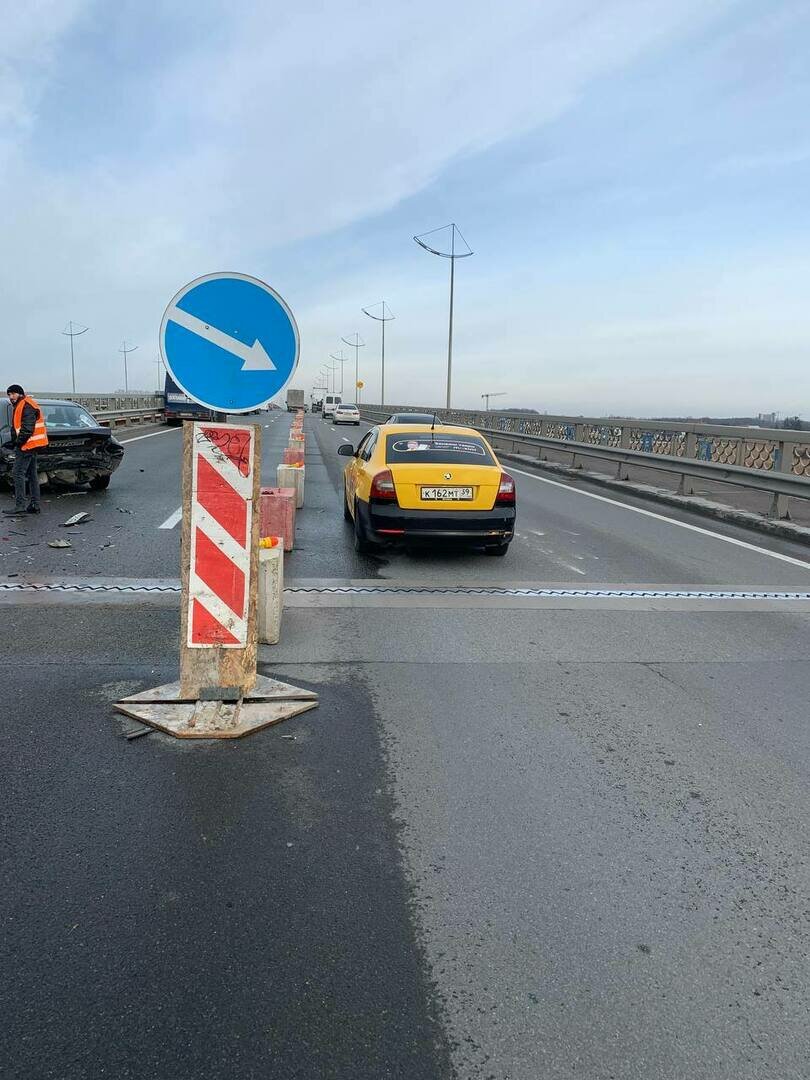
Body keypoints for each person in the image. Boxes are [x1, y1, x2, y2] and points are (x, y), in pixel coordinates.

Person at [4, 385, 48, 516]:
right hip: (31, 445)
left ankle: (20, 505)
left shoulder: (26, 405)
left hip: (27, 445)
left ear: (20, 394)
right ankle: (35, 504)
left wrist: (17, 443)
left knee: (17, 473)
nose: (11, 397)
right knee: (32, 474)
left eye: (13, 394)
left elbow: (27, 429)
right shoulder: (24, 404)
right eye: (9, 395)